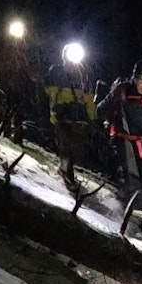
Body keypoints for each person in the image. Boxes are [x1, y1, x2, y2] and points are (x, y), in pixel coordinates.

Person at [96, 60, 142, 207]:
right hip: (122, 144)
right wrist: (113, 98)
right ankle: (120, 211)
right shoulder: (122, 90)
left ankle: (140, 212)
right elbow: (101, 109)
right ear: (135, 79)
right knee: (128, 181)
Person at [45, 55, 98, 193]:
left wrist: (92, 116)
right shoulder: (56, 71)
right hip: (62, 115)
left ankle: (66, 167)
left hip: (78, 117)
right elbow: (49, 89)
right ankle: (67, 171)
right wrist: (61, 103)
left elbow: (89, 97)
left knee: (76, 147)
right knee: (65, 143)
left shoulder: (83, 75)